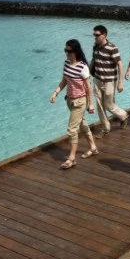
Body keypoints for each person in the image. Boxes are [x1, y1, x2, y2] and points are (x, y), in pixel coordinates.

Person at [50, 39, 99, 169]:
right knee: (82, 124)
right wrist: (55, 93)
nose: (67, 53)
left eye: (69, 51)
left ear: (76, 52)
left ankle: (71, 159)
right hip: (70, 100)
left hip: (80, 101)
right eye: (65, 50)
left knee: (72, 130)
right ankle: (93, 147)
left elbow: (88, 88)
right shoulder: (66, 63)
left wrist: (91, 104)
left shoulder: (83, 67)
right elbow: (64, 81)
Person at [91, 25, 129, 139]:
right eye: (94, 35)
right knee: (100, 106)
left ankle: (123, 116)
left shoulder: (112, 48)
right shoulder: (95, 47)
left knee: (109, 105)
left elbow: (120, 64)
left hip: (109, 81)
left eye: (97, 35)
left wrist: (120, 82)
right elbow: (93, 60)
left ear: (104, 35)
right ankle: (105, 129)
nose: (95, 37)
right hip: (97, 79)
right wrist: (87, 73)